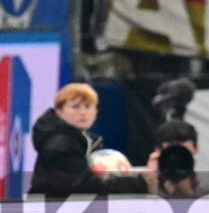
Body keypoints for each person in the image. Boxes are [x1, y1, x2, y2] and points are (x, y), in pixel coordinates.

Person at [28, 83, 157, 197]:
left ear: (96, 112)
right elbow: (85, 187)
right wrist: (140, 183)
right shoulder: (61, 144)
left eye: (88, 106)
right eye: (76, 106)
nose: (83, 112)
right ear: (59, 112)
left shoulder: (83, 140)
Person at [151, 119, 209, 198]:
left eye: (183, 152)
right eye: (171, 152)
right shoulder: (147, 191)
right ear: (157, 152)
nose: (177, 158)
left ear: (196, 149)